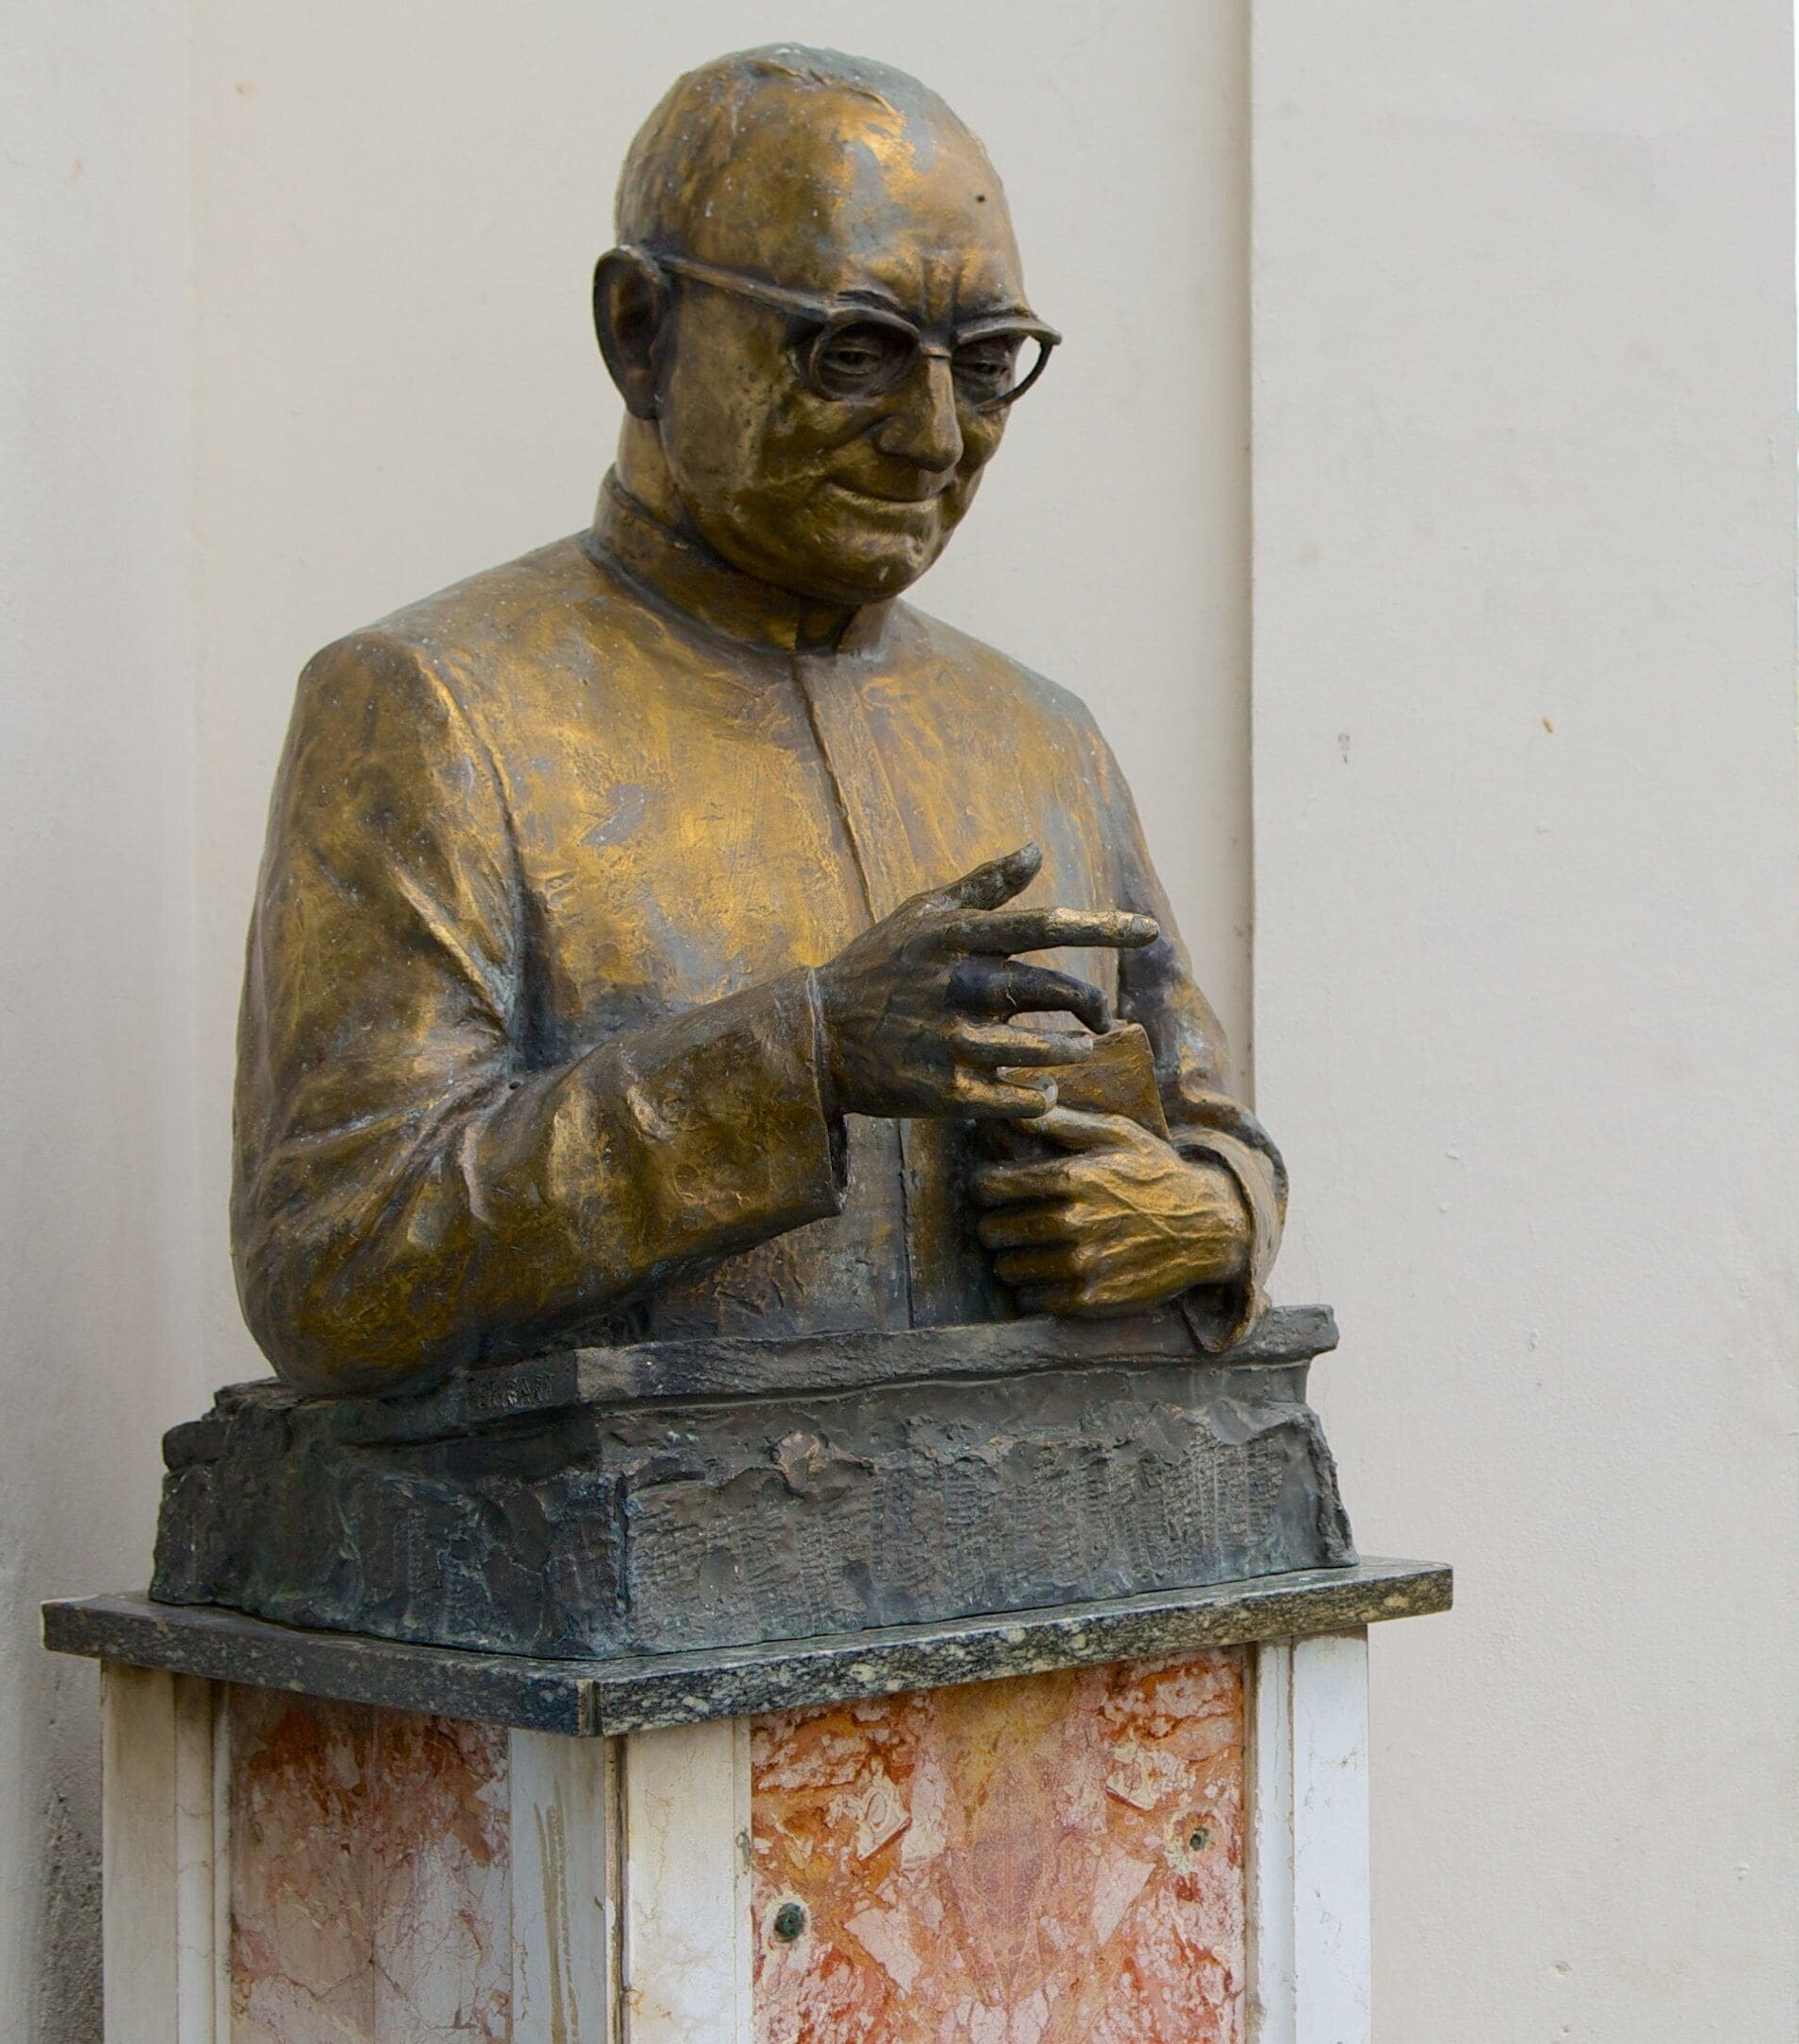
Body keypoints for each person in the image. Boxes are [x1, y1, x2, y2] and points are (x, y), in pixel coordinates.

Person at [232, 47, 1281, 1394]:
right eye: (856, 351)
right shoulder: (435, 706)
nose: (937, 437)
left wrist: (1208, 1215)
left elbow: (1214, 1131)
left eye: (988, 360)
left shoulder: (1040, 738)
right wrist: (802, 1054)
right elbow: (337, 1265)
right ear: (641, 333)